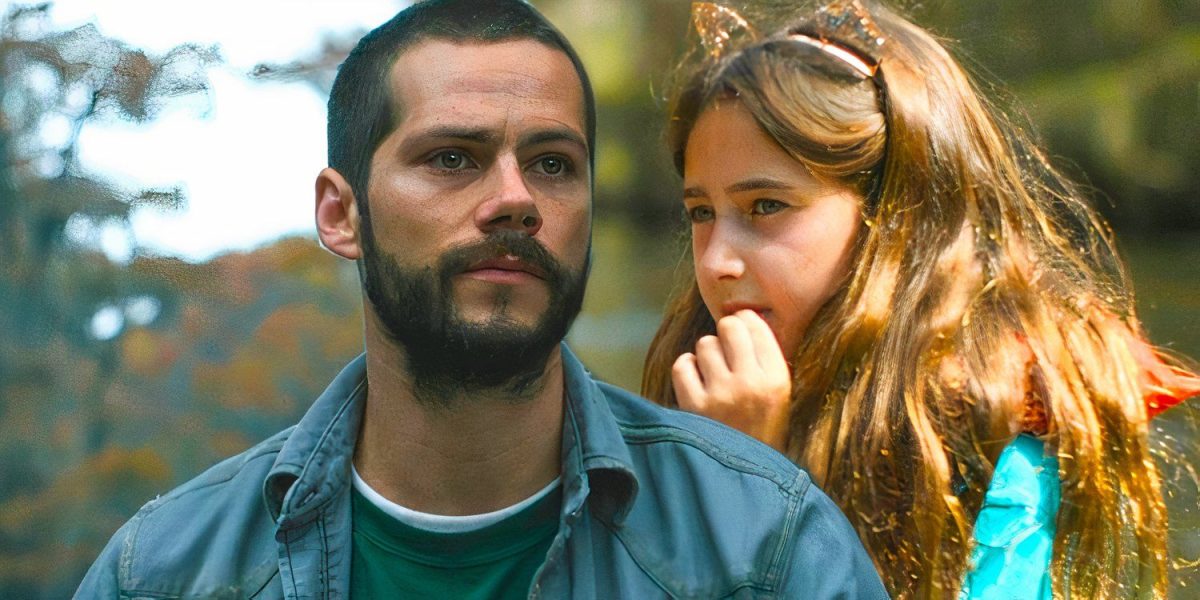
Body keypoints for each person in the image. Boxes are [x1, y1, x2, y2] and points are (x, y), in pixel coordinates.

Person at [75, 1, 888, 598]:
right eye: (454, 158)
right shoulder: (166, 572)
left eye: (553, 164)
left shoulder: (764, 546)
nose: (516, 199)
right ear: (342, 212)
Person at [642, 1, 1200, 598]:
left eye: (766, 206)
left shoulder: (996, 443)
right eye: (701, 212)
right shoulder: (697, 398)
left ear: (895, 220)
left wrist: (751, 479)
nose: (717, 261)